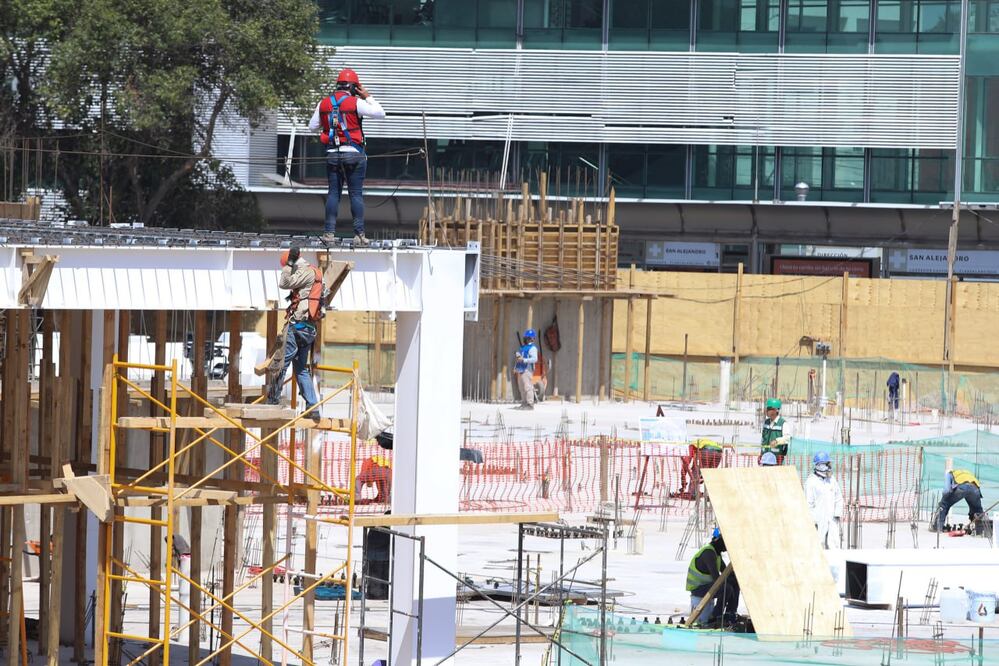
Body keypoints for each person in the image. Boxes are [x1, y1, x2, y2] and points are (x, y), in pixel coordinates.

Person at [309, 67, 386, 246]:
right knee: (356, 194)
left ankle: (329, 234)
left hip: (333, 154)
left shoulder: (324, 103)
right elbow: (381, 113)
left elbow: (312, 127)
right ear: (353, 87)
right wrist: (367, 96)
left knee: (333, 194)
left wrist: (329, 126)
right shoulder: (355, 103)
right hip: (354, 154)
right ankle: (359, 235)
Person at [267, 248, 322, 421]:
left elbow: (284, 283)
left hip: (297, 327)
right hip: (308, 329)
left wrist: (288, 265)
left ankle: (273, 400)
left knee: (281, 362)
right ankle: (312, 406)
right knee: (300, 369)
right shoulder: (316, 273)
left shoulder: (305, 272)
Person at [685, 528, 740, 625]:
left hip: (707, 586)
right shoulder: (709, 553)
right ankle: (715, 616)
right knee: (726, 588)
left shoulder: (716, 554)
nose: (727, 547)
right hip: (698, 588)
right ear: (718, 540)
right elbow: (717, 580)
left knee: (734, 582)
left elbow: (726, 572)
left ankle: (730, 613)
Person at [806, 452, 843, 549]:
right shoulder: (811, 482)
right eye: (827, 464)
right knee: (818, 545)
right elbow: (808, 504)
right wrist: (813, 521)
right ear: (819, 465)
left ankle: (835, 564)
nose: (829, 467)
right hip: (819, 520)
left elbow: (838, 497)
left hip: (832, 518)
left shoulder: (831, 480)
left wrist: (837, 513)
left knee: (834, 544)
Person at [514, 329, 539, 410]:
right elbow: (519, 359)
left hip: (527, 370)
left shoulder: (532, 348)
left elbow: (535, 359)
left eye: (527, 337)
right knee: (521, 388)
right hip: (520, 369)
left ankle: (530, 404)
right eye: (525, 337)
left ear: (532, 339)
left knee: (528, 387)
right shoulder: (523, 347)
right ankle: (524, 403)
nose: (525, 339)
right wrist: (515, 368)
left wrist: (524, 360)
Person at [761, 398, 791, 464]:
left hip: (777, 459)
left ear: (775, 410)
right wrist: (761, 454)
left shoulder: (783, 424)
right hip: (765, 458)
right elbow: (763, 440)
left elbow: (787, 438)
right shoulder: (766, 422)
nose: (766, 410)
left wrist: (777, 441)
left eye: (768, 409)